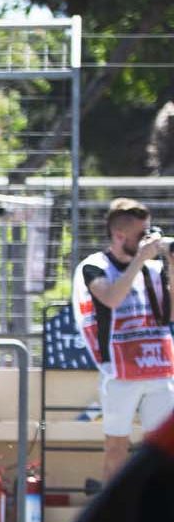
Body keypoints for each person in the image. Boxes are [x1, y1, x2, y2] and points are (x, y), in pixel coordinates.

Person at [73, 198, 172, 480]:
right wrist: (139, 258)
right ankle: (114, 519)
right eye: (142, 234)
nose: (148, 240)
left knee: (164, 449)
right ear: (119, 236)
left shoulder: (153, 269)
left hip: (158, 368)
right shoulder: (94, 267)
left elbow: (170, 315)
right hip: (120, 372)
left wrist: (171, 264)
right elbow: (112, 298)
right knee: (117, 446)